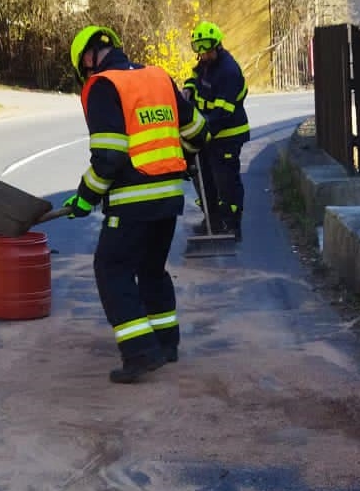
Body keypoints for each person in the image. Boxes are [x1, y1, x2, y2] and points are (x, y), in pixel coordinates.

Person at [62, 25, 210, 384]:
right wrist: (175, 161)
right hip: (168, 199)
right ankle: (166, 343)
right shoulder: (158, 77)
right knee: (151, 268)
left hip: (131, 203)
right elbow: (198, 133)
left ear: (87, 58)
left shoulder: (103, 86)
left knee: (111, 269)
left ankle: (140, 352)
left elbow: (110, 158)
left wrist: (85, 195)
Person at [182, 21, 249, 240]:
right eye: (198, 48)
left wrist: (198, 132)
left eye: (207, 48)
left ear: (217, 45)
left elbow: (222, 114)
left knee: (226, 182)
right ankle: (212, 219)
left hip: (226, 136)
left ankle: (232, 225)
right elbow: (194, 78)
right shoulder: (205, 63)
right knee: (204, 179)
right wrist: (188, 90)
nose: (202, 54)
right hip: (207, 134)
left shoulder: (228, 71)